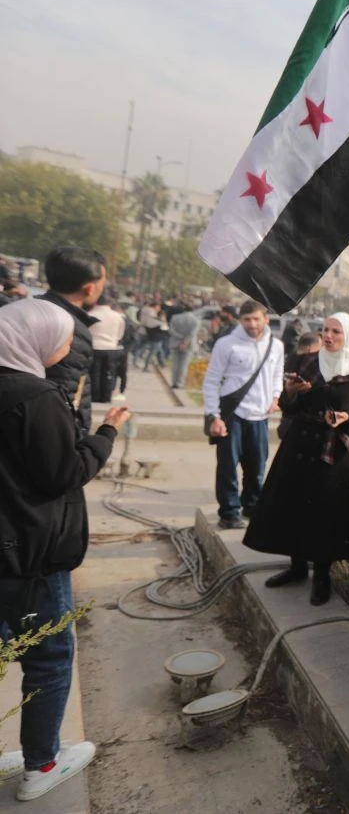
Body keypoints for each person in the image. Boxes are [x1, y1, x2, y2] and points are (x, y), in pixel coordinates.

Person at [0, 299, 130, 800]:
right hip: (32, 552)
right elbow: (64, 472)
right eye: (62, 339)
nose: (66, 348)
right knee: (50, 657)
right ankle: (42, 763)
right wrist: (106, 434)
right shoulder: (35, 397)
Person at [243, 312, 349, 605]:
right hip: (300, 445)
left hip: (335, 451)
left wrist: (348, 418)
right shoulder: (304, 362)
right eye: (326, 330)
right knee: (294, 504)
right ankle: (297, 566)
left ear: (348, 336)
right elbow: (289, 406)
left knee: (326, 511)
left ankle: (322, 575)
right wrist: (290, 393)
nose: (328, 336)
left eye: (336, 332)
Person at [202, 301, 285, 530]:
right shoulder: (226, 344)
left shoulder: (276, 346)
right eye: (247, 319)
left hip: (260, 416)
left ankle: (252, 506)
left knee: (257, 467)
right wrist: (214, 416)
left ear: (266, 319)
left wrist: (276, 397)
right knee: (228, 467)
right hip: (232, 414)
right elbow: (211, 381)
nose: (252, 324)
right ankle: (229, 512)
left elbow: (277, 374)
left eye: (256, 319)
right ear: (240, 320)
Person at [38, 247, 107, 435]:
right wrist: (75, 439)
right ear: (89, 288)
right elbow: (66, 393)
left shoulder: (32, 310)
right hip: (49, 433)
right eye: (102, 283)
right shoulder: (71, 328)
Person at [87, 296, 126, 403]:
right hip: (111, 347)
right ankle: (106, 396)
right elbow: (120, 334)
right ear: (109, 304)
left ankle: (94, 396)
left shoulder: (90, 314)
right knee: (109, 373)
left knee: (94, 373)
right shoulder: (117, 316)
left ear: (95, 303)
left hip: (94, 347)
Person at [168, 304, 201, 390]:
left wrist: (180, 337)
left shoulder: (174, 317)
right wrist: (185, 341)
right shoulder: (195, 320)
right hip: (189, 345)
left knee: (175, 364)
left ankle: (174, 382)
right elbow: (192, 334)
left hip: (175, 343)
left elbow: (171, 330)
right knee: (184, 365)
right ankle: (180, 383)